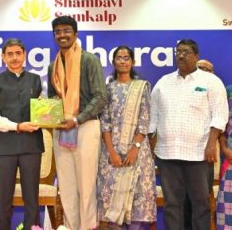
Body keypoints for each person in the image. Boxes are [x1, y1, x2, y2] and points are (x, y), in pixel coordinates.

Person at [149, 39, 228, 230]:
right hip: (167, 154)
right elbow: (153, 117)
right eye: (178, 52)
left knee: (200, 204)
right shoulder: (163, 83)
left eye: (185, 52)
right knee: (172, 205)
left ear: (196, 56)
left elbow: (220, 115)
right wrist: (151, 148)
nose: (181, 55)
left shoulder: (211, 82)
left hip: (199, 154)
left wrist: (211, 145)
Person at [47, 16, 107, 230]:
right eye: (58, 32)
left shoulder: (88, 60)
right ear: (54, 36)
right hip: (62, 130)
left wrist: (77, 119)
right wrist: (52, 108)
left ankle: (88, 227)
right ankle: (71, 227)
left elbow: (100, 97)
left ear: (75, 33)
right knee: (67, 185)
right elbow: (52, 97)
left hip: (85, 127)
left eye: (66, 31)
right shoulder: (53, 65)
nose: (62, 35)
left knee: (86, 185)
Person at [0, 38, 44, 230]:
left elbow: (42, 111)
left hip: (32, 146)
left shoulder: (36, 81)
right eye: (9, 54)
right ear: (3, 57)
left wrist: (49, 115)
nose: (14, 58)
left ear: (24, 55)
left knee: (31, 200)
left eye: (18, 53)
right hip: (5, 148)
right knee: (3, 200)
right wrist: (18, 127)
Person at [97, 46, 156, 230]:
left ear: (132, 62)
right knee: (112, 197)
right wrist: (112, 152)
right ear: (113, 62)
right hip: (111, 151)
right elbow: (104, 122)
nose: (122, 61)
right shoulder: (108, 89)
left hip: (137, 152)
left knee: (136, 196)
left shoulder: (141, 87)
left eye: (126, 57)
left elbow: (145, 119)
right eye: (119, 58)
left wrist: (135, 147)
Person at [184, 58, 217, 230]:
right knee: (184, 200)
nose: (204, 71)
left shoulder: (217, 93)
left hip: (206, 155)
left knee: (202, 197)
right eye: (200, 68)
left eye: (208, 69)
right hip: (184, 155)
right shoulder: (185, 91)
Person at [216, 85, 232, 228]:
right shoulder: (229, 91)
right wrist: (224, 148)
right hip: (231, 160)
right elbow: (220, 123)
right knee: (227, 212)